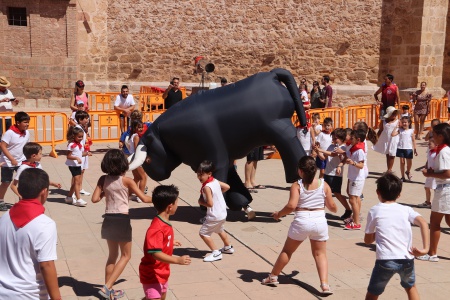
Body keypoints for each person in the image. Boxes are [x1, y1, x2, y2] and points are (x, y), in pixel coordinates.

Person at [261, 156, 337, 294]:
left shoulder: (297, 185)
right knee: (320, 254)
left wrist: (279, 214)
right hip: (319, 221)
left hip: (302, 221)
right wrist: (335, 209)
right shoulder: (324, 185)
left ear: (300, 171)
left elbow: (291, 205)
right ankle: (325, 285)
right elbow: (332, 206)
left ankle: (273, 277)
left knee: (288, 251)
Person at [91, 149, 151, 299]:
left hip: (108, 219)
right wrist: (159, 198)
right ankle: (107, 287)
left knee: (112, 256)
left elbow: (94, 199)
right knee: (126, 256)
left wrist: (106, 192)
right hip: (122, 220)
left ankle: (109, 293)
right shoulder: (127, 181)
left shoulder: (102, 180)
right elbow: (144, 199)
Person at [364, 173, 429, 300]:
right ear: (399, 194)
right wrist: (425, 249)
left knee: (373, 292)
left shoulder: (374, 210)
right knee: (411, 287)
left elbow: (367, 240)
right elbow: (423, 223)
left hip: (385, 260)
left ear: (378, 192)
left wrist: (377, 233)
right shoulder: (406, 210)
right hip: (407, 258)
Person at [0, 168, 61, 299]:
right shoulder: (45, 224)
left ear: (20, 190)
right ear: (44, 192)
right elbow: (46, 265)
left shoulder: (4, 218)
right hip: (29, 294)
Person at [139, 185, 191, 300]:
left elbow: (159, 242)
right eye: (176, 202)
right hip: (152, 274)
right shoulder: (156, 228)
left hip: (162, 272)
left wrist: (169, 242)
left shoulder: (164, 222)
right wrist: (177, 260)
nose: (178, 205)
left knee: (161, 297)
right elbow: (155, 253)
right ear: (170, 207)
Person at [418, 123, 450, 262]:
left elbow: (447, 173)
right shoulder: (445, 150)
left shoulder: (443, 151)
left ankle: (432, 253)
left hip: (445, 190)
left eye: (434, 135)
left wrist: (430, 174)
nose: (433, 137)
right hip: (445, 189)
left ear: (441, 136)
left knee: (435, 222)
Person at [197, 160, 234, 262]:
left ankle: (216, 252)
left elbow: (210, 204)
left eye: (202, 175)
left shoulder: (207, 187)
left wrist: (201, 202)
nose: (200, 177)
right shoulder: (215, 181)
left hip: (214, 215)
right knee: (220, 230)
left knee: (203, 233)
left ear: (209, 174)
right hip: (222, 213)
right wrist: (218, 193)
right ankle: (228, 247)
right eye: (198, 174)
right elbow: (227, 187)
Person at [315, 128, 352, 219]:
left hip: (335, 175)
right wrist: (317, 151)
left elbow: (333, 154)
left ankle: (348, 209)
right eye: (333, 138)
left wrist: (321, 150)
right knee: (323, 192)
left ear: (342, 138)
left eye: (336, 138)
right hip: (327, 173)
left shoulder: (343, 148)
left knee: (337, 193)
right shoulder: (331, 146)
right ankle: (320, 211)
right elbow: (324, 157)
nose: (334, 140)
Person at [0, 111, 30, 211]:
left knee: (23, 182)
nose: (27, 124)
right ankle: (0, 200)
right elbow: (2, 146)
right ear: (18, 122)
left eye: (28, 122)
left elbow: (26, 146)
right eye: (25, 122)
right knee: (6, 182)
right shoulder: (10, 133)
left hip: (21, 162)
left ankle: (22, 201)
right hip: (7, 163)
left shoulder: (27, 133)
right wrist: (11, 159)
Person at [343, 129, 366, 230]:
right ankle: (355, 218)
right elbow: (346, 156)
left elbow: (361, 165)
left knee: (353, 200)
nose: (350, 139)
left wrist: (353, 163)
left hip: (357, 178)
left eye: (352, 138)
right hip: (353, 176)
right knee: (354, 199)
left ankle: (356, 223)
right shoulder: (353, 148)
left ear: (358, 139)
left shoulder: (360, 151)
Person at [65, 126, 91, 207]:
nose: (80, 138)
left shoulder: (80, 144)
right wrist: (76, 158)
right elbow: (68, 156)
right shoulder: (71, 145)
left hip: (78, 165)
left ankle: (69, 197)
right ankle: (78, 199)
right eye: (79, 137)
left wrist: (86, 153)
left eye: (82, 137)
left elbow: (80, 154)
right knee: (77, 181)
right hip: (73, 165)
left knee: (77, 181)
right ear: (74, 136)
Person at [373, 106, 399, 173]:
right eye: (392, 113)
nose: (394, 115)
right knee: (387, 155)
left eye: (395, 113)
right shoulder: (383, 121)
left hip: (394, 140)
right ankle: (388, 169)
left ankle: (390, 169)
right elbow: (380, 130)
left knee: (392, 154)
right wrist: (376, 139)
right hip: (386, 140)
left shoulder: (398, 121)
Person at [127, 119, 148, 202]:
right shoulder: (136, 137)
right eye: (139, 127)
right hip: (136, 159)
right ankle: (140, 195)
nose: (141, 129)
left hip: (132, 158)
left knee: (136, 178)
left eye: (142, 127)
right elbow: (137, 149)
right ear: (134, 127)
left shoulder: (131, 135)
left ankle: (128, 194)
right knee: (143, 177)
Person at [392, 116, 417, 182]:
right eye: (403, 122)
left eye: (405, 122)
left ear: (409, 123)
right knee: (402, 162)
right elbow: (392, 134)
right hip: (400, 148)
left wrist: (415, 148)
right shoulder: (400, 130)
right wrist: (396, 127)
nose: (404, 124)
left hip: (408, 149)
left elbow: (413, 140)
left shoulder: (411, 131)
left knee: (409, 163)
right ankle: (402, 177)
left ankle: (408, 171)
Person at [417, 138, 436, 209]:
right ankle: (428, 202)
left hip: (435, 174)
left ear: (436, 144)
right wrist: (426, 166)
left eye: (430, 144)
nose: (428, 145)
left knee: (436, 189)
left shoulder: (437, 153)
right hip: (429, 173)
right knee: (426, 187)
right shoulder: (430, 152)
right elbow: (428, 160)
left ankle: (437, 203)